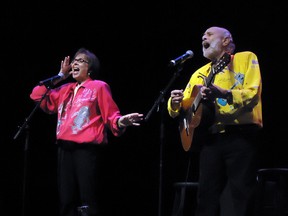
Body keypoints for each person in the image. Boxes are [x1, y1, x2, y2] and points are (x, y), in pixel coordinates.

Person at [30, 47, 143, 216]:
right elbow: (37, 95)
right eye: (74, 60)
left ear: (90, 68)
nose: (75, 62)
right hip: (64, 149)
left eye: (81, 61)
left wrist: (121, 121)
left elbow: (111, 115)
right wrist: (60, 77)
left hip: (86, 151)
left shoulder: (98, 87)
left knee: (88, 202)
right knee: (66, 202)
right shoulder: (65, 90)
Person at [167, 26, 263, 216]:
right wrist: (174, 103)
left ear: (226, 41)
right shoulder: (199, 73)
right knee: (206, 198)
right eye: (203, 34)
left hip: (241, 135)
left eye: (209, 34)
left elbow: (253, 94)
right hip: (210, 139)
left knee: (240, 197)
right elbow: (184, 107)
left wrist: (224, 93)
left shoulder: (245, 58)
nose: (204, 36)